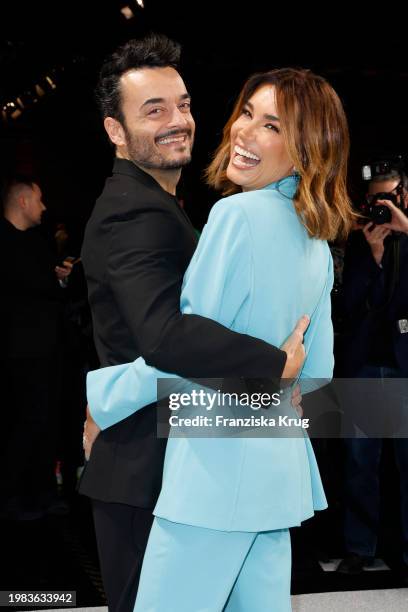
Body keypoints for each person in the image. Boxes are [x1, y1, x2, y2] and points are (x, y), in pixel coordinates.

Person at [86, 67, 353, 611]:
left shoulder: (234, 215)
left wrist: (105, 400)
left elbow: (177, 348)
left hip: (210, 480)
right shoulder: (316, 241)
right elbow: (315, 373)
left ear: (307, 149)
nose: (245, 132)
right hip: (278, 479)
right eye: (248, 114)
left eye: (273, 126)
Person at [336, 169, 408, 582]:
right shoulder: (364, 241)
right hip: (365, 363)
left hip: (403, 365)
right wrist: (376, 258)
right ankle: (359, 547)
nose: (383, 210)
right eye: (376, 202)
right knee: (360, 461)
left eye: (390, 201)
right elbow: (353, 303)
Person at [0, 177, 72, 520]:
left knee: (43, 422)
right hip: (20, 354)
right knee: (26, 423)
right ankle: (14, 495)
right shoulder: (7, 244)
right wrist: (53, 281)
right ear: (24, 200)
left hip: (44, 349)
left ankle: (41, 494)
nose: (44, 207)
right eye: (40, 200)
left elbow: (43, 287)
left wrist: (59, 277)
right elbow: (30, 287)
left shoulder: (35, 244)